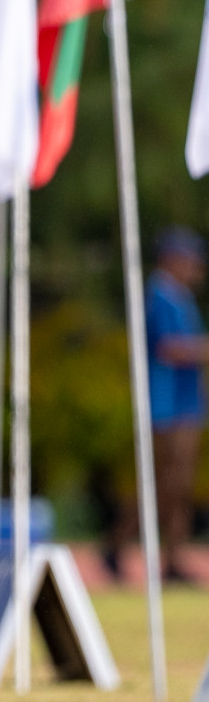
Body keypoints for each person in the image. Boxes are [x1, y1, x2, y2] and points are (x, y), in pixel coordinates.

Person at [140, 228, 209, 582]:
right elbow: (169, 347)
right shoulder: (160, 295)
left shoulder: (180, 297)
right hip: (166, 402)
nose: (196, 267)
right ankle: (125, 546)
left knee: (178, 483)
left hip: (185, 402)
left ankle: (173, 558)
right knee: (164, 481)